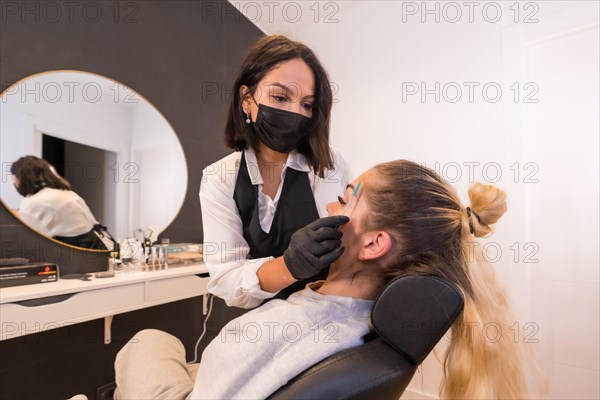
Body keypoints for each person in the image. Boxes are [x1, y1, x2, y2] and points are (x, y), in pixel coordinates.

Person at [115, 160, 543, 399]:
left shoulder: (287, 330)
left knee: (146, 339)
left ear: (373, 244)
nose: (330, 205)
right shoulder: (363, 321)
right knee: (162, 343)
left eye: (343, 198)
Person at [200, 35, 353, 309]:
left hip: (325, 312)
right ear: (247, 99)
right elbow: (227, 280)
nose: (295, 112)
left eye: (307, 104)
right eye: (280, 97)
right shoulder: (219, 178)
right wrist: (289, 266)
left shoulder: (331, 165)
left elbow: (349, 246)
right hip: (261, 324)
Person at [10, 155, 109, 250]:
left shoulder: (31, 202)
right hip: (99, 246)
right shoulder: (67, 193)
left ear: (21, 178)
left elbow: (28, 238)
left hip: (78, 256)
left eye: (14, 178)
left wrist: (17, 216)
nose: (14, 182)